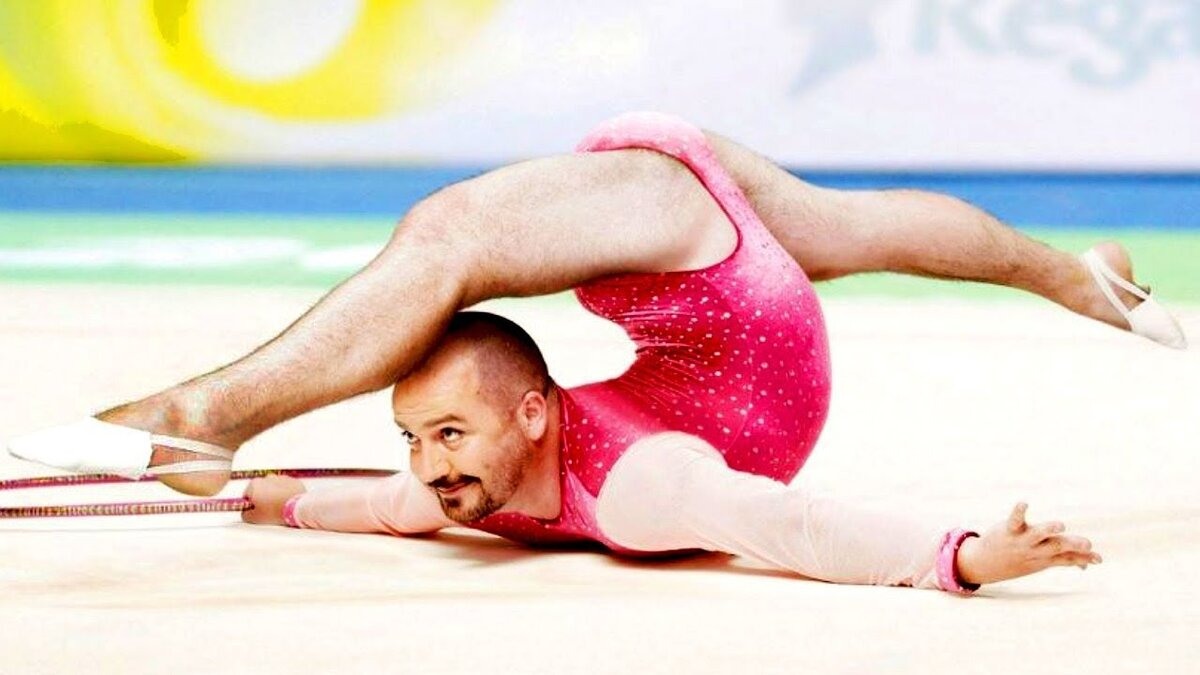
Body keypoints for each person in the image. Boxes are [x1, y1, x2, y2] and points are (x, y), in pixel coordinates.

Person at [8, 112, 1184, 593]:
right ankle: (1081, 278)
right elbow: (392, 502)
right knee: (849, 228)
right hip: (704, 281)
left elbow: (798, 529)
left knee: (449, 237)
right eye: (422, 441)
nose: (429, 465)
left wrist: (961, 559)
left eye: (443, 436)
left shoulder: (622, 488)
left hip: (683, 266)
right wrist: (281, 504)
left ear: (530, 416)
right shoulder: (560, 483)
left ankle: (204, 415)